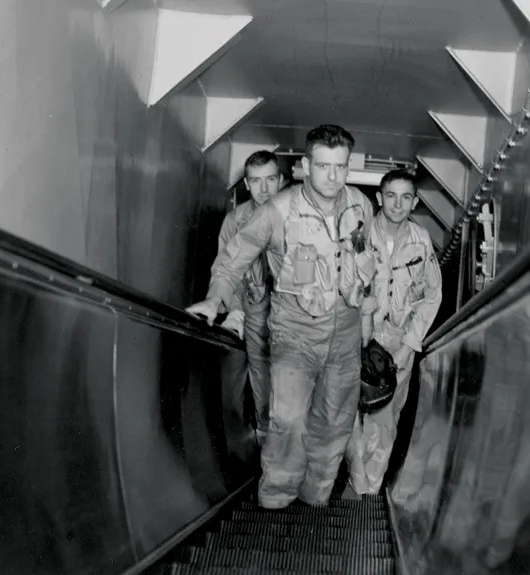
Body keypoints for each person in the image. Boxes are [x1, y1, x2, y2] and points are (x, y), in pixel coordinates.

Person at [186, 125, 376, 509]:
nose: (333, 176)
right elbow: (233, 258)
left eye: (341, 167)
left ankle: (316, 493)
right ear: (305, 165)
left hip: (345, 335)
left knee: (335, 422)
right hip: (295, 332)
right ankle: (277, 493)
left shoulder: (360, 206)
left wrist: (367, 314)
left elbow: (364, 259)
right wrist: (214, 299)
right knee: (288, 419)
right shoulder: (278, 212)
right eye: (323, 166)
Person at [346, 169, 442, 496]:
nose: (398, 204)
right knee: (352, 421)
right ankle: (355, 485)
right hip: (359, 339)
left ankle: (367, 493)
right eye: (391, 195)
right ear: (379, 198)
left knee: (384, 423)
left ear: (415, 201)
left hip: (399, 344)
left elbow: (433, 295)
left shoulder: (421, 241)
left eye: (406, 197)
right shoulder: (359, 236)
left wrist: (409, 346)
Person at [215, 150, 284, 446]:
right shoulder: (235, 221)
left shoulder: (297, 217)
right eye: (256, 181)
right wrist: (235, 311)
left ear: (281, 181)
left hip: (293, 313)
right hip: (255, 309)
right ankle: (266, 437)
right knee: (260, 372)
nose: (264, 189)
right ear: (246, 183)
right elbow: (226, 268)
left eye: (270, 179)